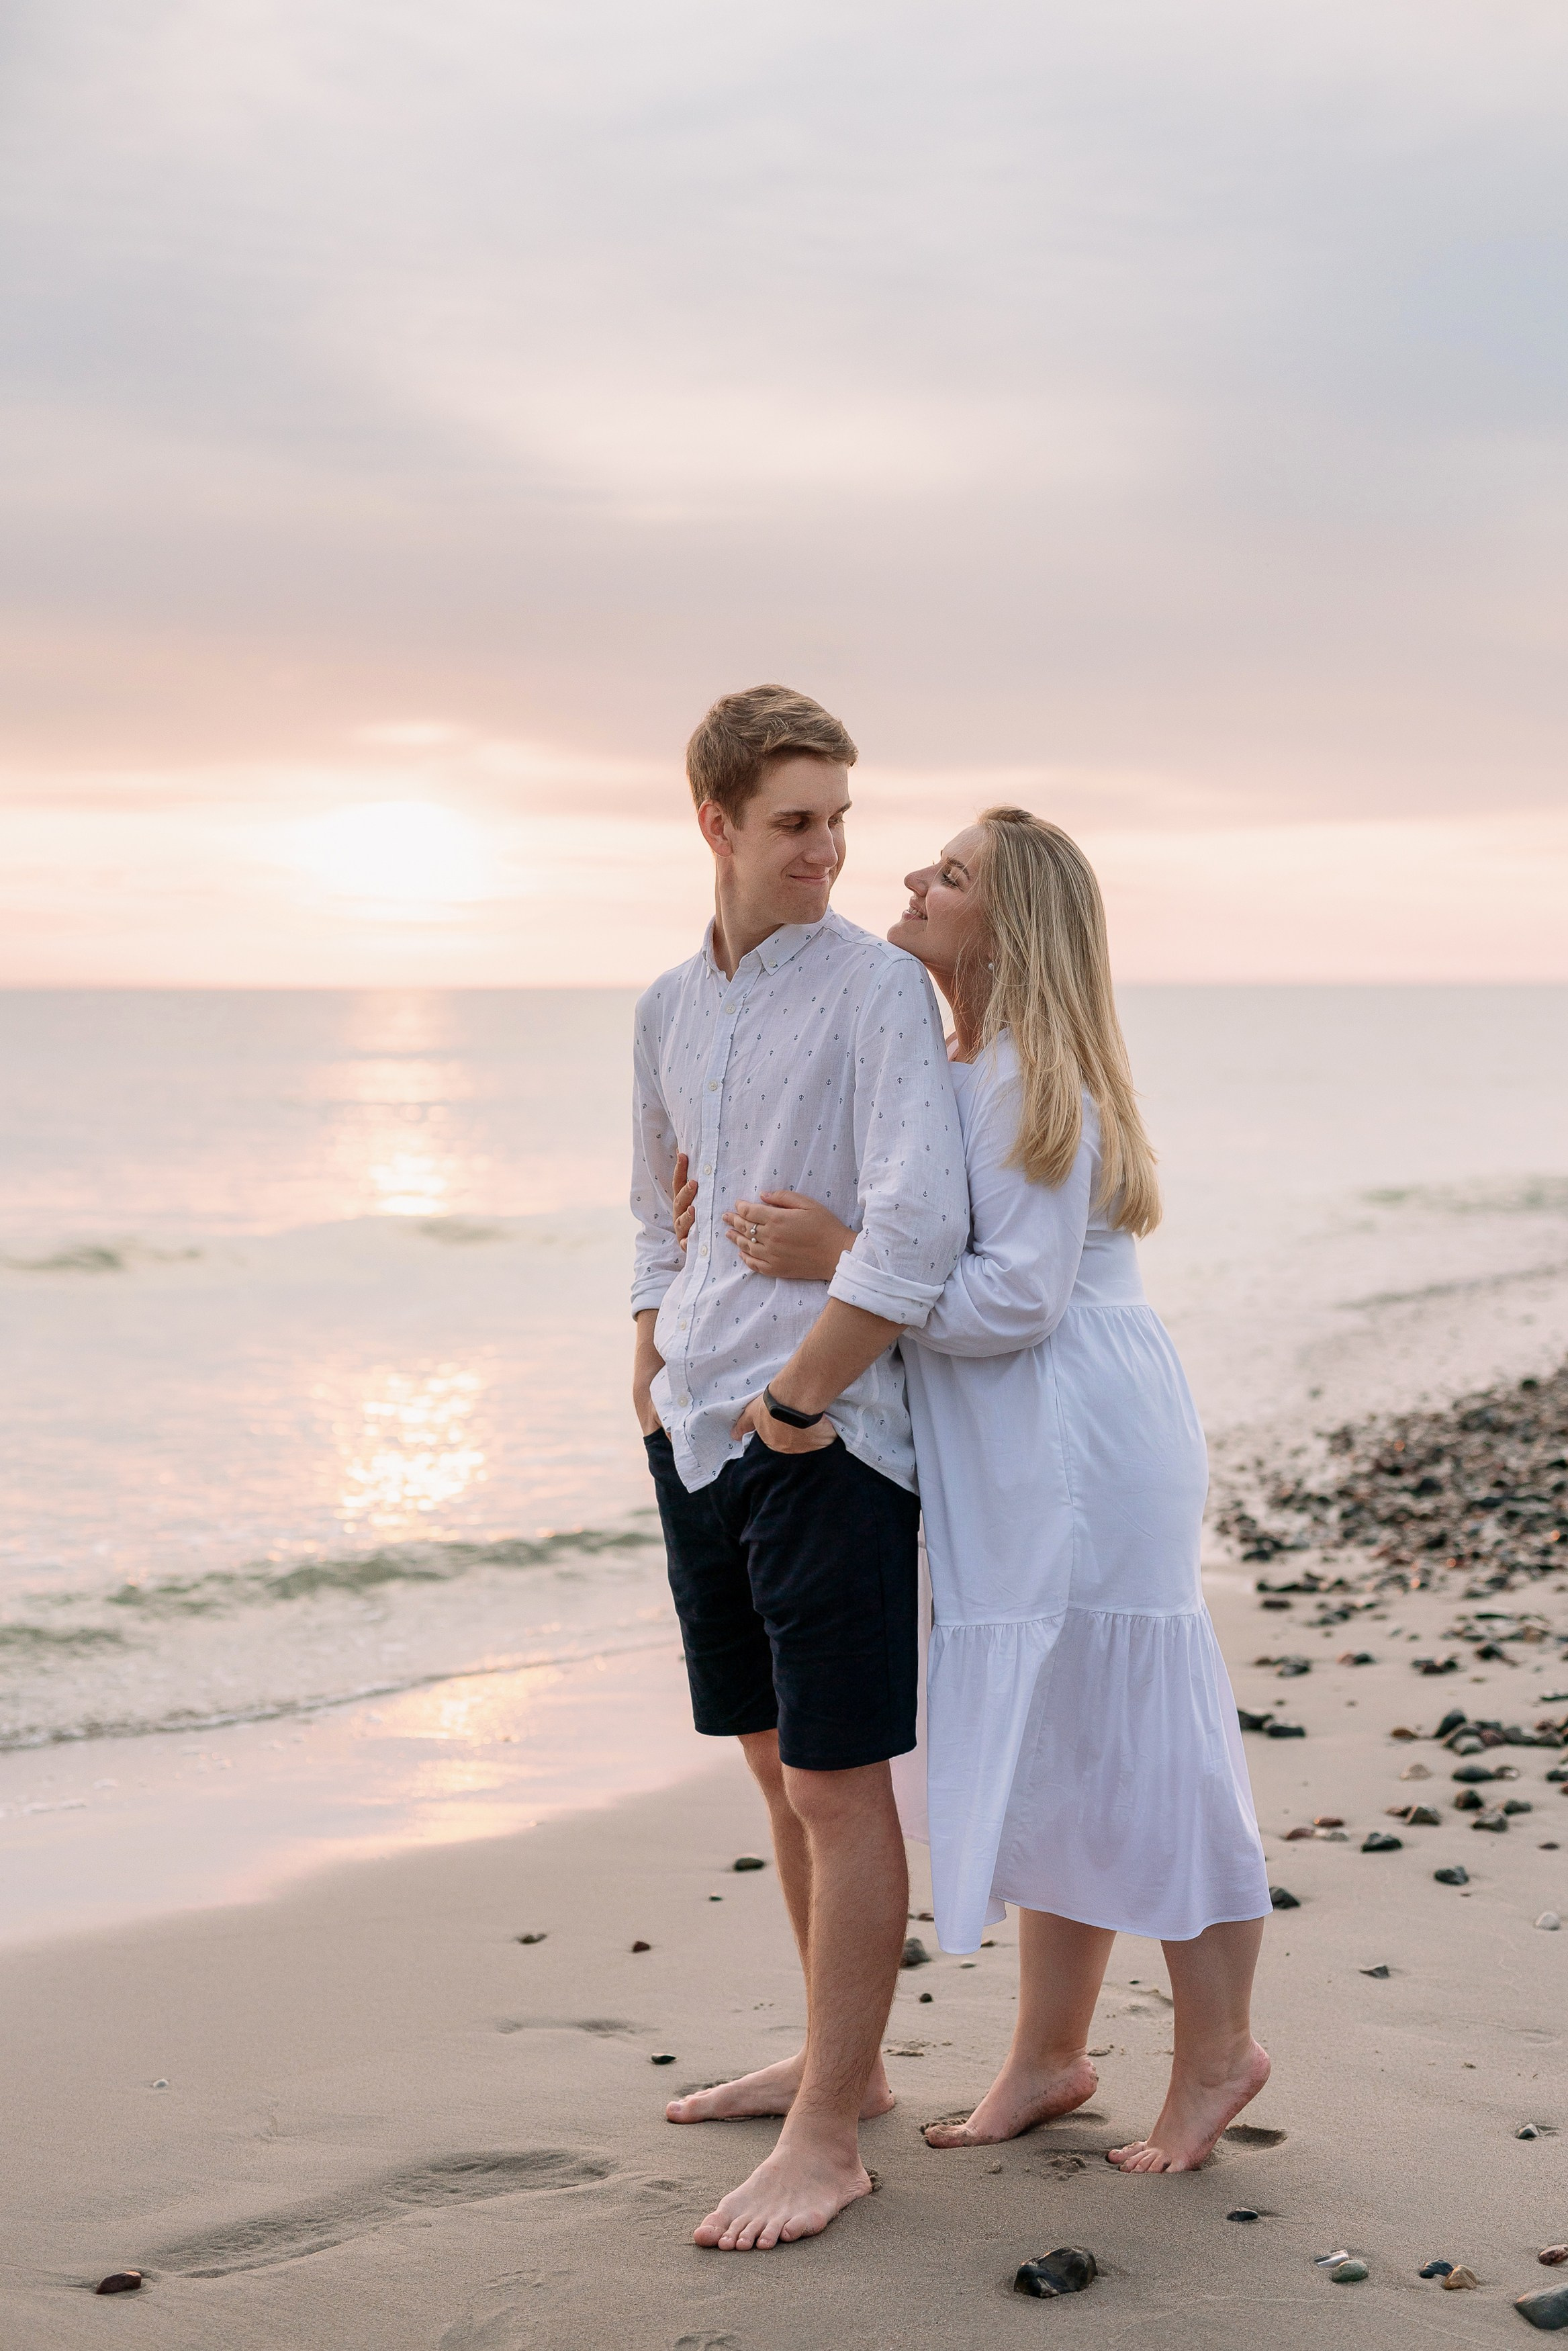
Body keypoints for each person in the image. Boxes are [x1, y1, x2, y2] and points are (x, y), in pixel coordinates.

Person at [679, 807, 1273, 2175]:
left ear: (1009, 927)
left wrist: (835, 1256)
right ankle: (1048, 2057)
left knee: (1138, 1742)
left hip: (1076, 1433)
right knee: (1065, 1743)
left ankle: (1215, 2052)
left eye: (948, 875)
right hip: (1021, 1438)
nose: (909, 879)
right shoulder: (966, 1064)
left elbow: (1016, 1297)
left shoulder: (1021, 1075)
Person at [630, 684, 967, 2250]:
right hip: (697, 1428)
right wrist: (651, 1368)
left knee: (838, 1780)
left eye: (840, 817)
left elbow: (913, 1230)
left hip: (824, 1432)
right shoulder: (662, 1008)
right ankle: (853, 2069)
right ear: (716, 823)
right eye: (795, 822)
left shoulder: (876, 996)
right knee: (773, 1768)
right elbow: (655, 1211)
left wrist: (793, 1401)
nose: (830, 849)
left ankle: (829, 2134)